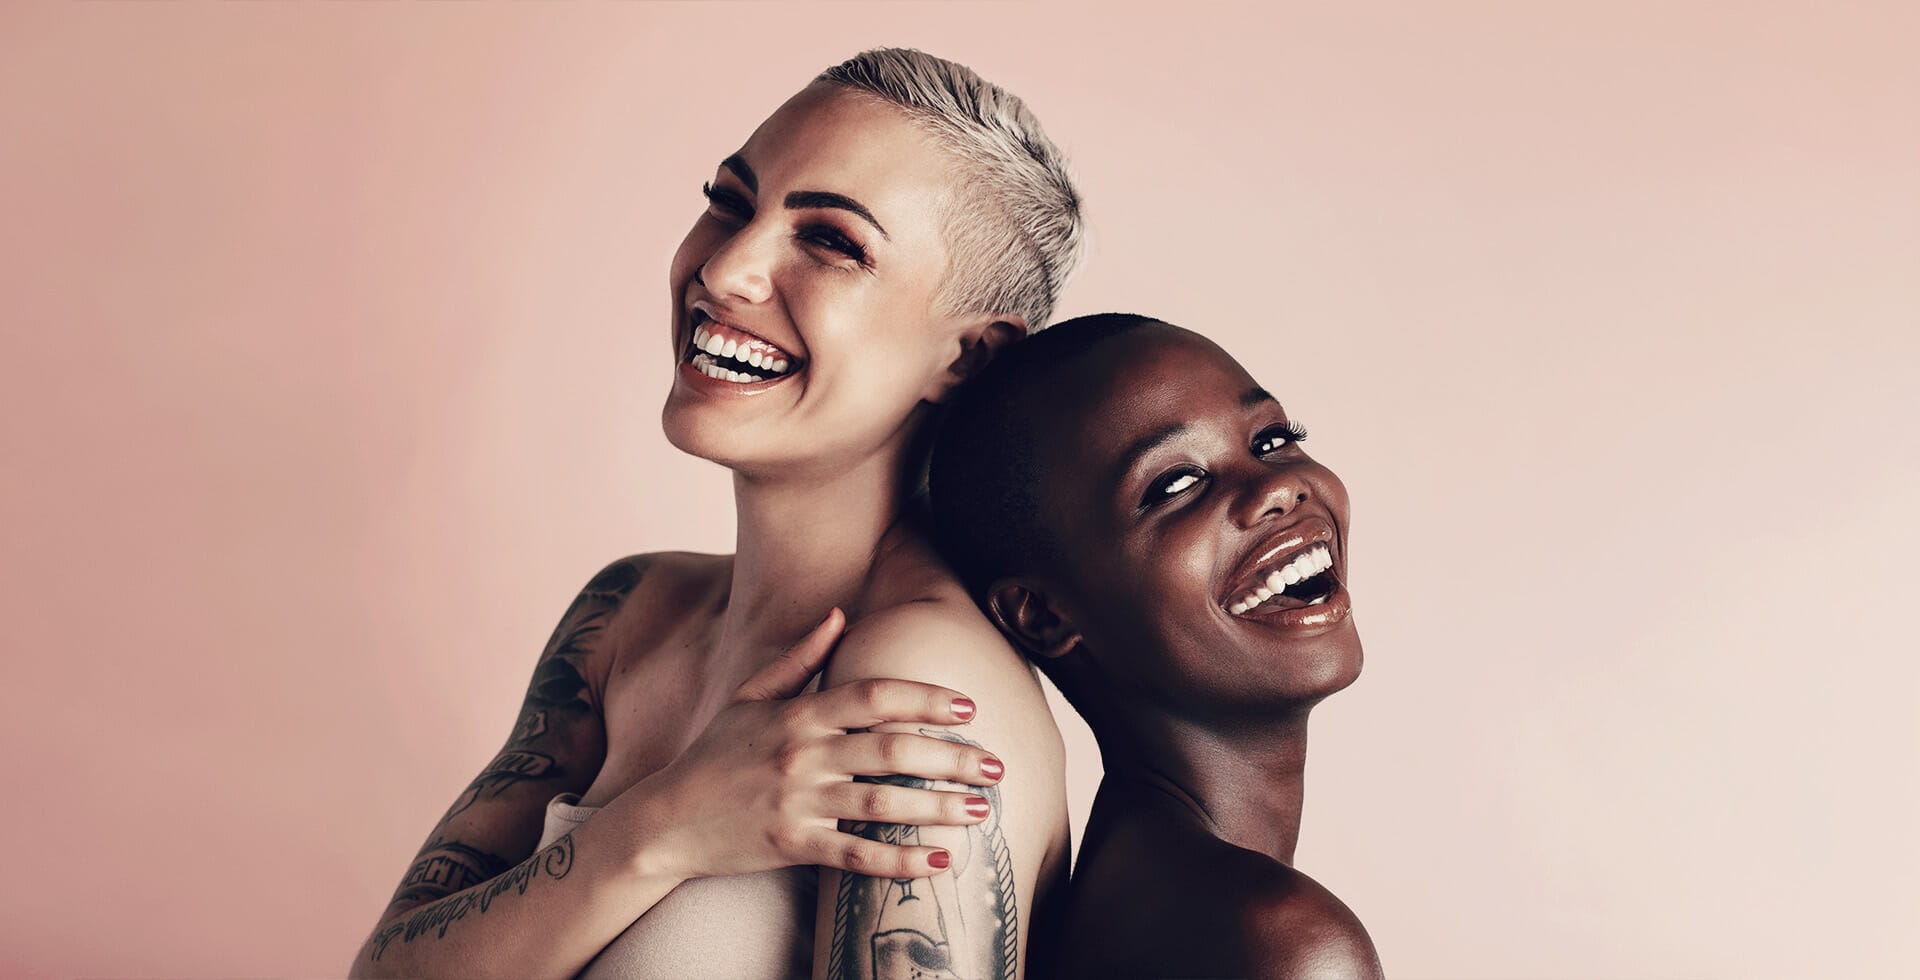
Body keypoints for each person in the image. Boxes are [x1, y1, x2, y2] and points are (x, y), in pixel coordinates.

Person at [348, 48, 1081, 980]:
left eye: (832, 242)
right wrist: (662, 826)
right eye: (731, 201)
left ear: (967, 358)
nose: (727, 268)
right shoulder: (629, 613)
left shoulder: (917, 695)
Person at [929, 314, 1384, 979]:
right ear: (1046, 616)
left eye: (1273, 439)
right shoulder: (1280, 942)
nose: (1275, 488)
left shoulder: (1139, 896)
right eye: (1176, 485)